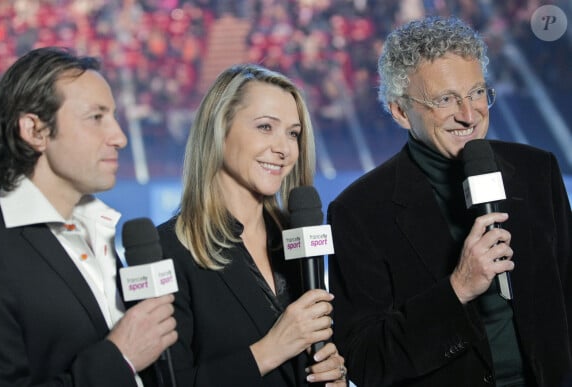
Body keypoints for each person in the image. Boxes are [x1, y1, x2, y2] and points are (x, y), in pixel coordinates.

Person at [328, 16, 572, 387]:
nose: (469, 114)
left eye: (476, 92)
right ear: (400, 111)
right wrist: (457, 288)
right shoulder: (359, 211)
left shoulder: (537, 170)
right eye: (445, 99)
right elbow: (364, 360)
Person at [0, 47, 177, 387]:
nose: (119, 137)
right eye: (96, 117)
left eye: (114, 117)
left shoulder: (96, 227)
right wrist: (119, 359)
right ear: (35, 131)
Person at [157, 63, 348, 386]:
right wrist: (270, 350)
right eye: (264, 127)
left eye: (293, 133)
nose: (284, 149)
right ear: (220, 129)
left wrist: (336, 375)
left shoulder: (297, 237)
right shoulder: (170, 249)